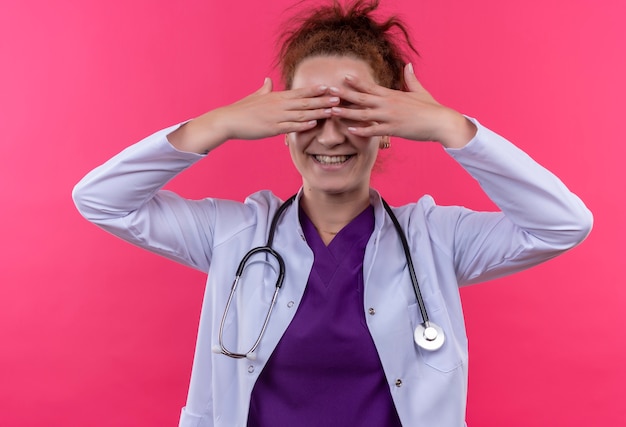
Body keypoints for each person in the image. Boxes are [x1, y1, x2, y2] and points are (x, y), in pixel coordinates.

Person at [72, 0, 592, 426]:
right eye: (309, 113)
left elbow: (563, 224)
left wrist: (452, 129)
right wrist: (218, 124)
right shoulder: (234, 235)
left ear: (390, 125)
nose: (329, 135)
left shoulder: (436, 239)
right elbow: (101, 199)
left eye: (355, 112)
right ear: (281, 123)